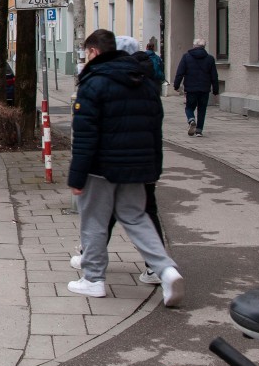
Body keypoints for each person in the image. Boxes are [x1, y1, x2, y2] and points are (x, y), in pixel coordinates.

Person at [68, 29, 184, 307]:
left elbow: (85, 135)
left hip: (100, 167)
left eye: (87, 53)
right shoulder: (144, 82)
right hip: (138, 166)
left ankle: (94, 279)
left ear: (94, 52)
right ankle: (166, 270)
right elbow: (155, 128)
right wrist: (153, 168)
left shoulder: (93, 83)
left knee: (94, 220)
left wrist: (77, 175)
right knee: (136, 217)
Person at [173, 38, 219, 137]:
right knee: (202, 109)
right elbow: (214, 76)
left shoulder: (186, 57)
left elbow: (180, 73)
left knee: (189, 107)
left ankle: (191, 119)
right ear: (204, 47)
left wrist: (176, 85)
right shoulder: (210, 59)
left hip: (191, 88)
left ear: (194, 46)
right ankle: (199, 131)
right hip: (204, 89)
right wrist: (216, 90)